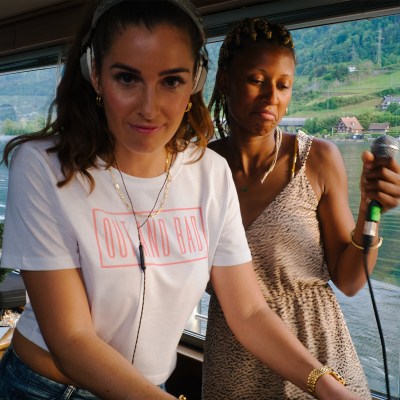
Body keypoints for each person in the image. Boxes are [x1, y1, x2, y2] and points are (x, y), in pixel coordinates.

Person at [0, 1, 366, 399]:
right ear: (95, 75)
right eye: (127, 78)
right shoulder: (42, 166)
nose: (149, 107)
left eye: (171, 81)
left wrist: (325, 385)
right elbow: (71, 339)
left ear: (195, 81)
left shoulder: (210, 173)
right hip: (44, 389)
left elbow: (248, 311)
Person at [203, 17, 400, 400]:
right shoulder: (199, 169)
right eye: (256, 80)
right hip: (233, 365)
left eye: (283, 85)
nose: (271, 97)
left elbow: (349, 281)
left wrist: (368, 212)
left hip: (320, 352)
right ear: (225, 81)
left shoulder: (315, 159)